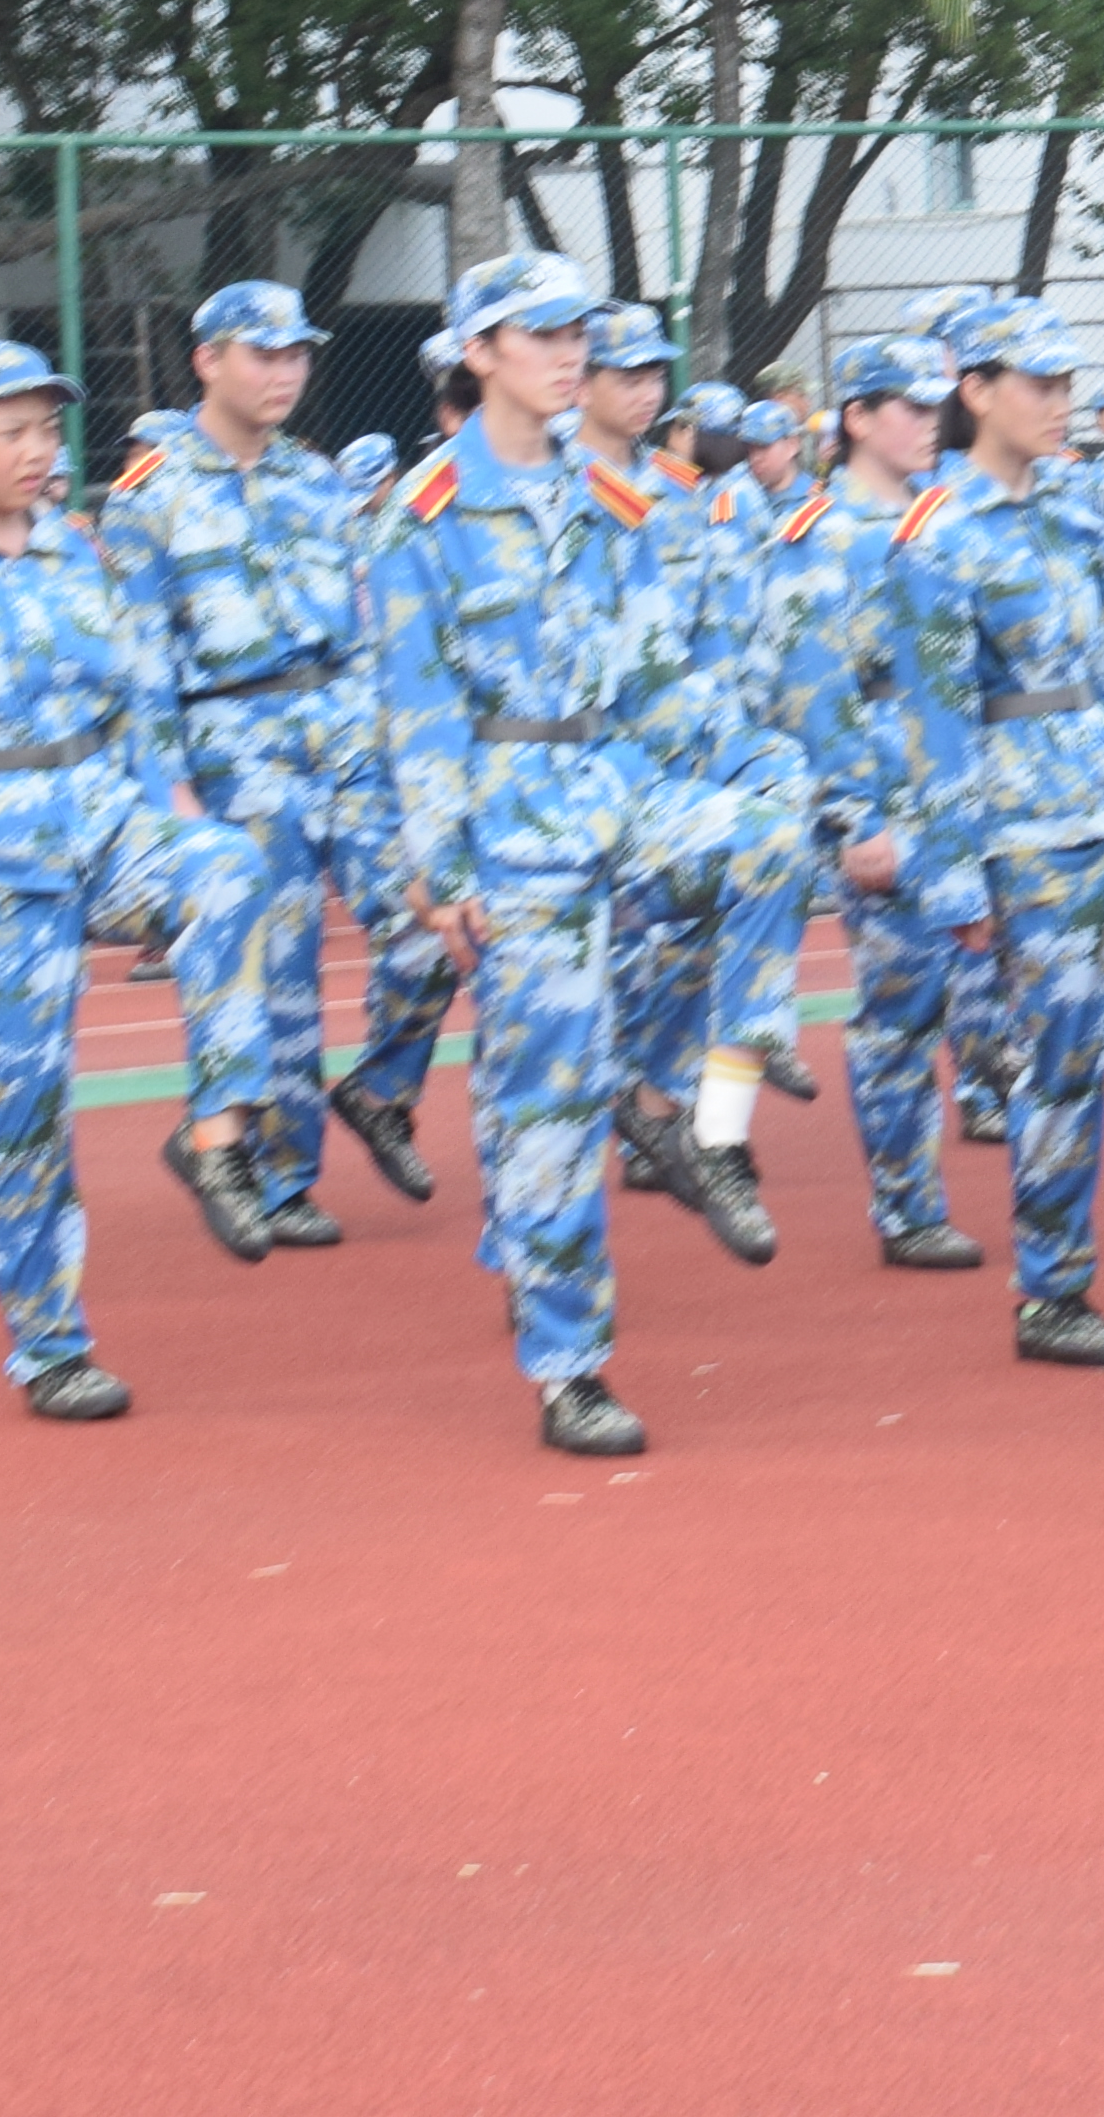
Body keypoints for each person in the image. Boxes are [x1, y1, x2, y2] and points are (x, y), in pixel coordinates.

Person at [0, 340, 284, 1417]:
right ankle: (49, 1343)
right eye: (12, 432)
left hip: (100, 821)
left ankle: (216, 1128)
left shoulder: (78, 553)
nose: (40, 452)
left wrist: (163, 801)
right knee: (26, 1109)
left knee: (228, 865)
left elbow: (133, 698)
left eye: (49, 429)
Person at [371, 251, 744, 1457]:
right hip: (509, 825)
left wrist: (717, 772)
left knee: (762, 856)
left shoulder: (615, 496)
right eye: (540, 333)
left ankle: (704, 1106)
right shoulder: (423, 511)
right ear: (478, 352)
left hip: (618, 794)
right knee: (548, 1094)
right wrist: (442, 863)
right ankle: (571, 1360)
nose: (569, 350)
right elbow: (419, 705)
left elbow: (651, 669)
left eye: (578, 329)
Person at [877, 299, 1104, 1369]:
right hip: (1022, 823)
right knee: (1062, 1050)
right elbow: (936, 720)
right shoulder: (936, 538)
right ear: (977, 392)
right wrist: (952, 875)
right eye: (1038, 386)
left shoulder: (1078, 513)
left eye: (1067, 384)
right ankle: (1053, 1287)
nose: (1062, 405)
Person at [112, 280, 414, 1247]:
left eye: (295, 354)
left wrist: (383, 742)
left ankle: (380, 1088)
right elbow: (141, 666)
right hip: (236, 746)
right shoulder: (148, 498)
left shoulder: (317, 481)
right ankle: (278, 1170)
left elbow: (364, 629)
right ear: (208, 361)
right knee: (278, 965)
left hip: (343, 734)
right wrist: (171, 797)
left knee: (427, 913)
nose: (284, 371)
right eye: (262, 353)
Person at [569, 304, 812, 1259]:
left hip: (657, 749)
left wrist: (731, 743)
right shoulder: (541, 490)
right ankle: (628, 1099)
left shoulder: (660, 497)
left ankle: (709, 1125)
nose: (642, 387)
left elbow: (669, 658)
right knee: (539, 1074)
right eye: (620, 371)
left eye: (651, 371)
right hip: (553, 780)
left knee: (775, 817)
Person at [763, 332, 996, 1269]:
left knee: (986, 994)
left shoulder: (951, 519)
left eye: (937, 405)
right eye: (908, 405)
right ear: (856, 418)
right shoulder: (817, 538)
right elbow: (815, 694)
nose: (926, 421)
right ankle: (907, 1205)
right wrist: (856, 822)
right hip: (888, 794)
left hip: (969, 789)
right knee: (902, 1008)